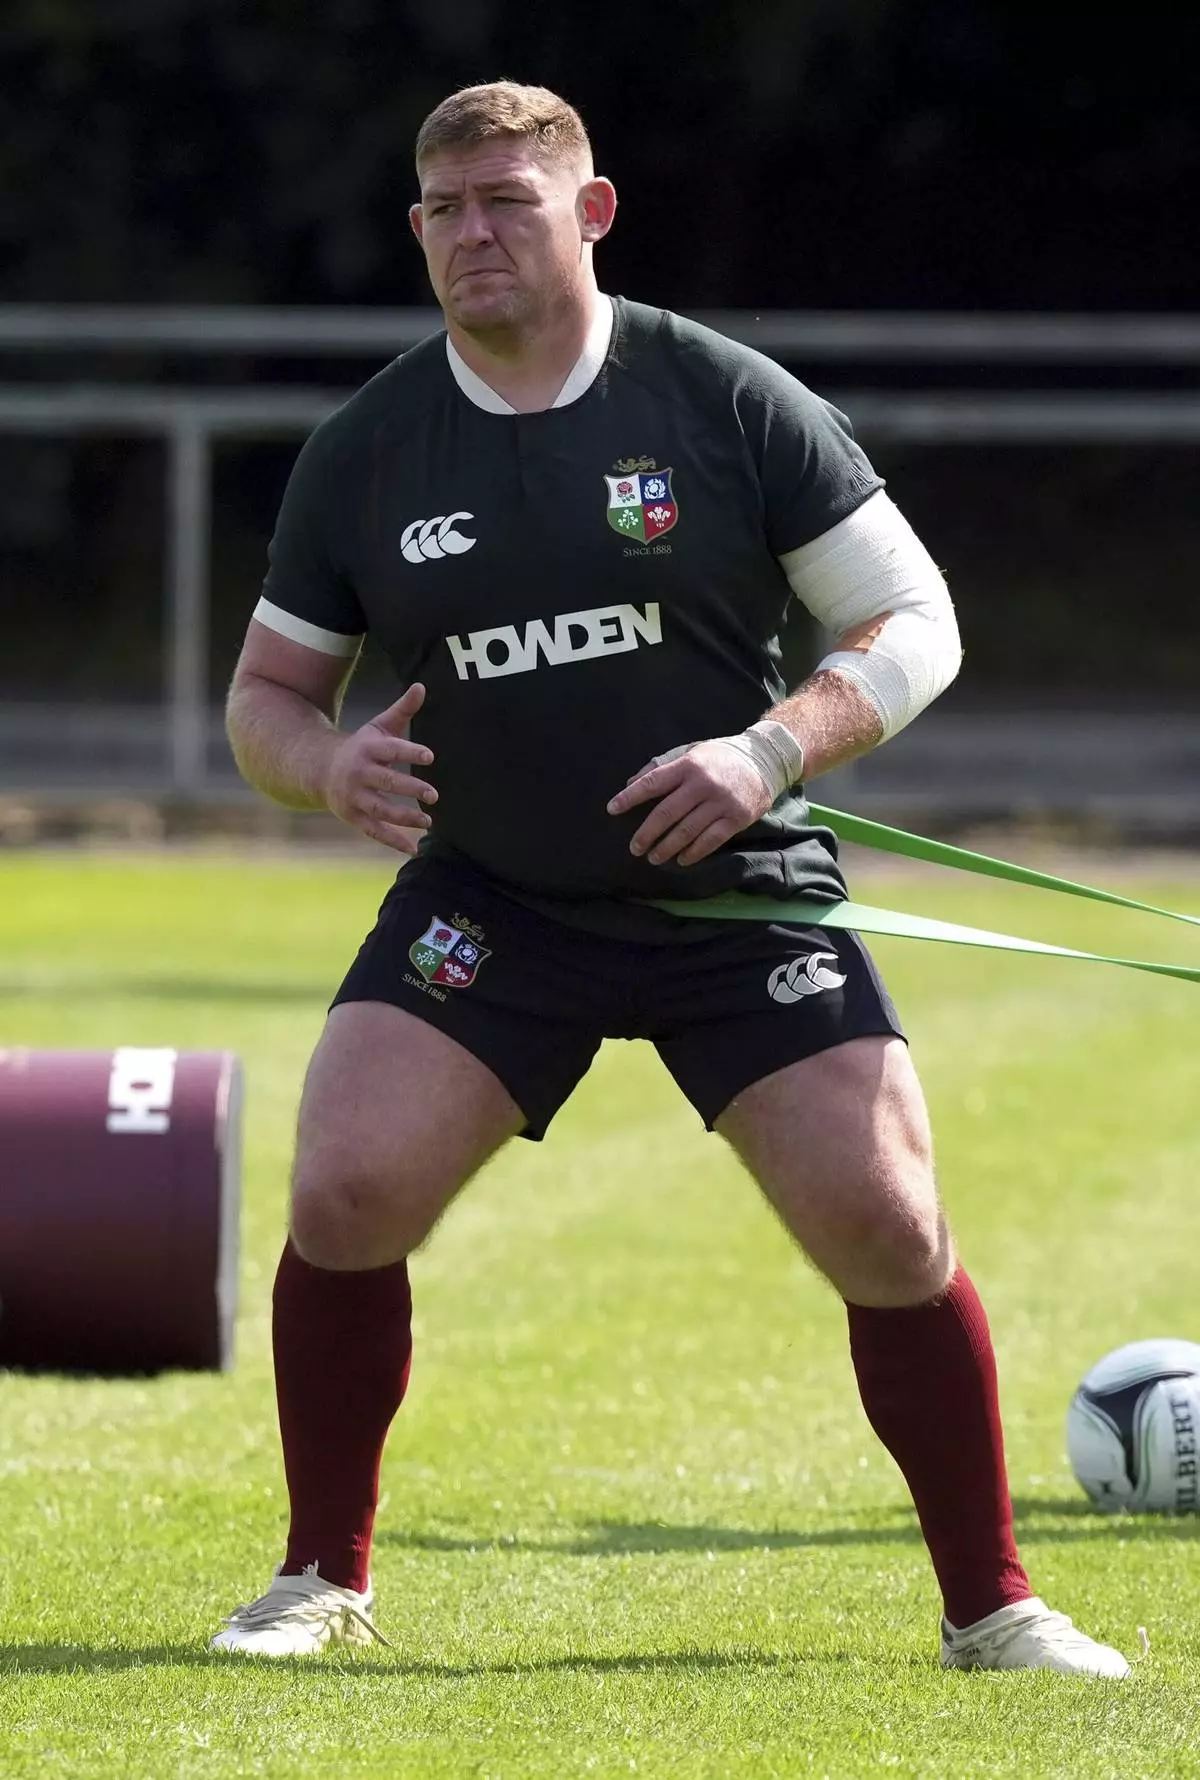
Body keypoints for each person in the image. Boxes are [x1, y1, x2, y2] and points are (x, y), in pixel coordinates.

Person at [213, 80, 1129, 1677]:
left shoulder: (721, 399)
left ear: (591, 210)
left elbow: (915, 626)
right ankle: (317, 1578)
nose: (471, 235)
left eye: (506, 199)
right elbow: (266, 701)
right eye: (443, 211)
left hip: (732, 896)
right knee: (344, 1194)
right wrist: (327, 765)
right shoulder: (369, 445)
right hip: (493, 901)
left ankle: (996, 1608)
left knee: (888, 1227)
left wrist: (766, 756)